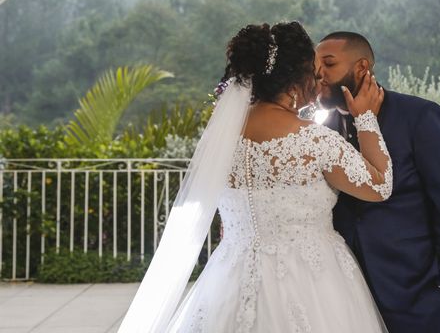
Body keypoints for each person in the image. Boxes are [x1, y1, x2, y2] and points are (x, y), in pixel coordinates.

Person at [118, 22, 393, 332]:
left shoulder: (220, 140)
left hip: (229, 277)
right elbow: (379, 185)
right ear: (296, 79)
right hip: (311, 280)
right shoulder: (315, 142)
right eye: (314, 74)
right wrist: (366, 116)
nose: (318, 83)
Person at [316, 31, 440, 333]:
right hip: (346, 292)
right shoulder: (321, 132)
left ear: (361, 68)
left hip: (418, 290)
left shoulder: (420, 116)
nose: (318, 74)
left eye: (329, 64)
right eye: (315, 66)